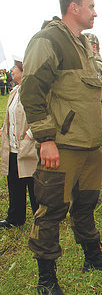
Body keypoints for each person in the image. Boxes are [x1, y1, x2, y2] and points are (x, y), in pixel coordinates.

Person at [20, 0, 102, 294]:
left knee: (86, 205)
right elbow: (31, 92)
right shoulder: (48, 41)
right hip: (63, 148)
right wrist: (46, 140)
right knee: (52, 210)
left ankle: (93, 258)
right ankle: (46, 280)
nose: (95, 12)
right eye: (91, 6)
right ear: (73, 7)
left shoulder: (80, 44)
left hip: (90, 147)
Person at [0, 59, 38, 229]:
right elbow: (10, 115)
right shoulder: (14, 91)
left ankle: (41, 217)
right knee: (14, 182)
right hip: (14, 146)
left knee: (33, 183)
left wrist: (29, 136)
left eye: (14, 68)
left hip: (28, 145)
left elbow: (39, 116)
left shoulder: (33, 91)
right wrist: (3, 129)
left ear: (23, 70)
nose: (11, 70)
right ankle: (15, 218)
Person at [84, 33, 102, 200]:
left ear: (93, 46)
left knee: (94, 159)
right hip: (98, 119)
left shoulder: (96, 66)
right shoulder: (99, 64)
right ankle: (101, 191)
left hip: (96, 120)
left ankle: (98, 194)